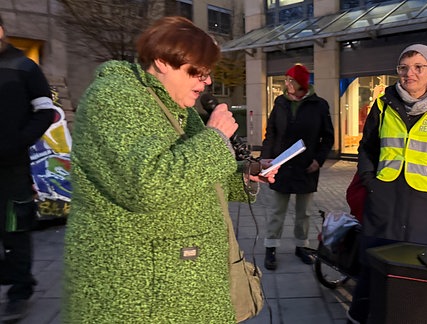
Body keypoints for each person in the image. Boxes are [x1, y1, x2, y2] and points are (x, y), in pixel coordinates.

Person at [62, 17, 276, 323]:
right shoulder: (113, 99)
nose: (207, 83)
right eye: (196, 73)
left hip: (178, 282)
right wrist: (215, 139)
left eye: (208, 73)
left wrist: (243, 173)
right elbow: (147, 184)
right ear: (162, 62)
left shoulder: (175, 107)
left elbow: (189, 171)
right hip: (142, 293)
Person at [347, 44, 427, 324]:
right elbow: (367, 148)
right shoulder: (384, 103)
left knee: (424, 275)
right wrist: (372, 184)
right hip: (386, 204)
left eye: (419, 67)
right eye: (404, 68)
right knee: (375, 271)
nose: (410, 74)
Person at [0, 15, 56, 321]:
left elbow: (45, 112)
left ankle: (19, 291)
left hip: (11, 167)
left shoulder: (24, 67)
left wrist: (17, 142)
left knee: (14, 228)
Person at [261, 63, 335, 270]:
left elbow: (328, 137)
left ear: (302, 83)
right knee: (277, 210)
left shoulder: (319, 105)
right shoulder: (280, 103)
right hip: (281, 165)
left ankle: (301, 246)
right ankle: (271, 247)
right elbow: (271, 134)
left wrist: (318, 160)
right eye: (286, 80)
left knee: (305, 212)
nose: (286, 84)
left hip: (306, 166)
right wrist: (265, 160)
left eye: (290, 80)